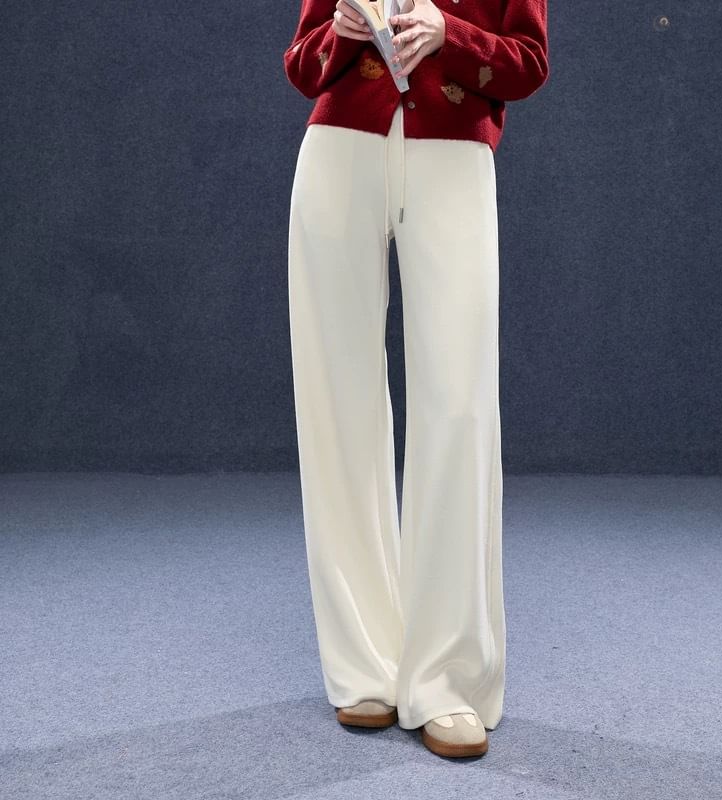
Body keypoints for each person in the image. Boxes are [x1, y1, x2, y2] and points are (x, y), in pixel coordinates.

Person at [283, 0, 548, 758]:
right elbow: (300, 65)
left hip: (453, 154)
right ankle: (363, 661)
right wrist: (339, 34)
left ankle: (447, 678)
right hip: (339, 149)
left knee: (458, 405)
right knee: (336, 402)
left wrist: (448, 33)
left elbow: (529, 62)